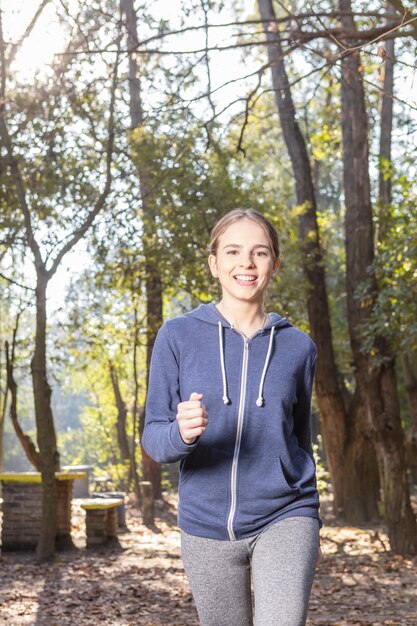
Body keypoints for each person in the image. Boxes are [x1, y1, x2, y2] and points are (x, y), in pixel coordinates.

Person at [142, 209, 321, 626]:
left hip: (286, 514)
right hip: (204, 522)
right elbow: (153, 436)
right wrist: (180, 435)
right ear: (214, 264)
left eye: (260, 253)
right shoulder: (177, 336)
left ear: (275, 265)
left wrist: (303, 499)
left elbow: (299, 437)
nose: (247, 263)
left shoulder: (299, 348)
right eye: (233, 251)